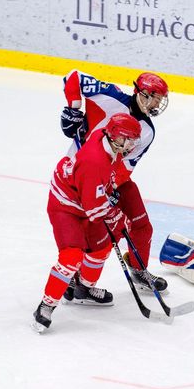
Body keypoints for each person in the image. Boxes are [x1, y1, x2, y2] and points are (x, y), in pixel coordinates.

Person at [59, 70, 169, 297]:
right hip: (82, 175)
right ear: (143, 93)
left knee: (141, 222)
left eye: (161, 100)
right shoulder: (110, 96)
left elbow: (125, 167)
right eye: (156, 97)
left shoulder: (147, 131)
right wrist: (73, 109)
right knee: (97, 232)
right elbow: (74, 77)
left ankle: (139, 270)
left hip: (110, 180)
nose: (158, 104)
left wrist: (111, 187)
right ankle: (75, 279)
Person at [32, 113, 142, 333]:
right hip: (65, 205)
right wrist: (115, 216)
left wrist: (109, 198)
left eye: (133, 139)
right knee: (72, 256)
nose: (130, 144)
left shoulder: (110, 143)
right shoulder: (93, 161)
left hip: (84, 198)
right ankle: (46, 306)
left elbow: (101, 188)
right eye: (127, 138)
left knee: (101, 248)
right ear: (115, 136)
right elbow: (94, 208)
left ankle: (83, 289)